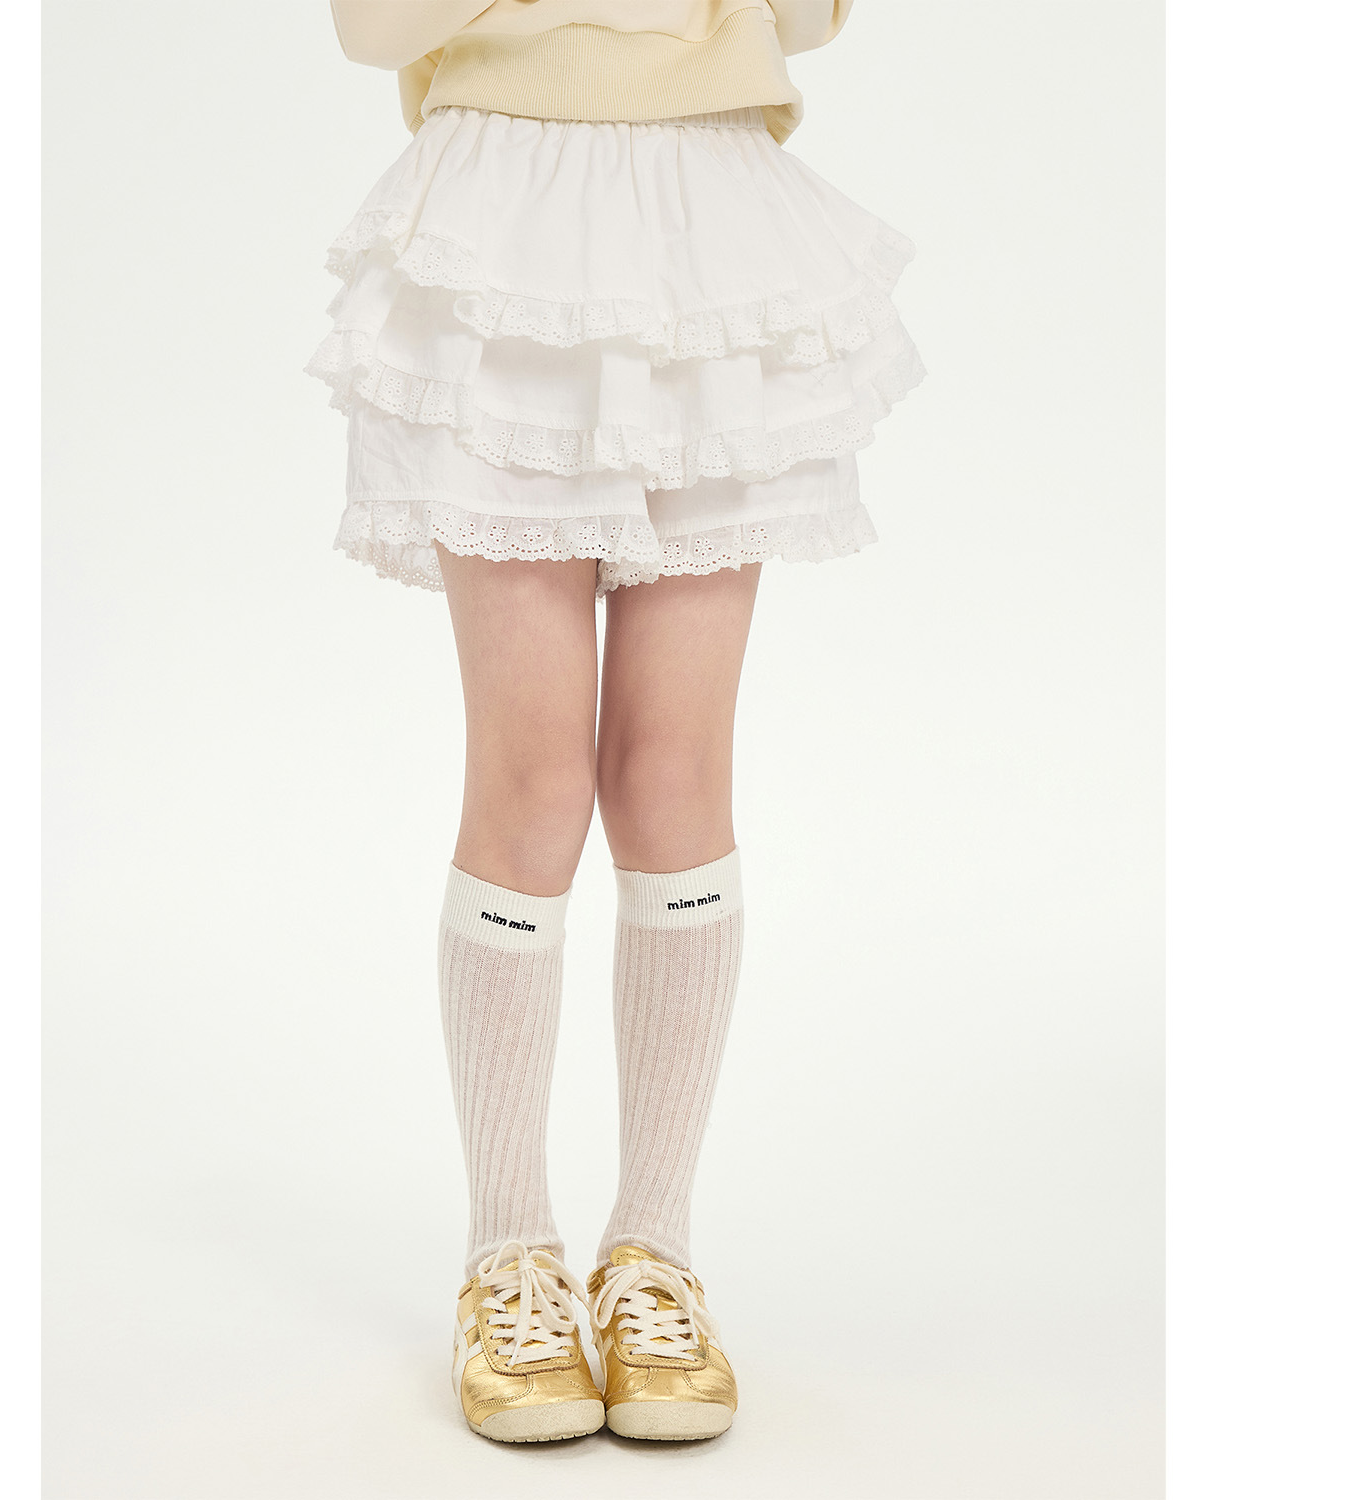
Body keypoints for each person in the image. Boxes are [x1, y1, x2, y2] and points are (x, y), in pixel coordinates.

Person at [306, 0, 922, 1444]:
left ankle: (655, 1249)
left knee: (672, 776)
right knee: (530, 783)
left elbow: (811, 15)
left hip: (712, 223)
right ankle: (508, 1254)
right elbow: (371, 24)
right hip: (504, 217)